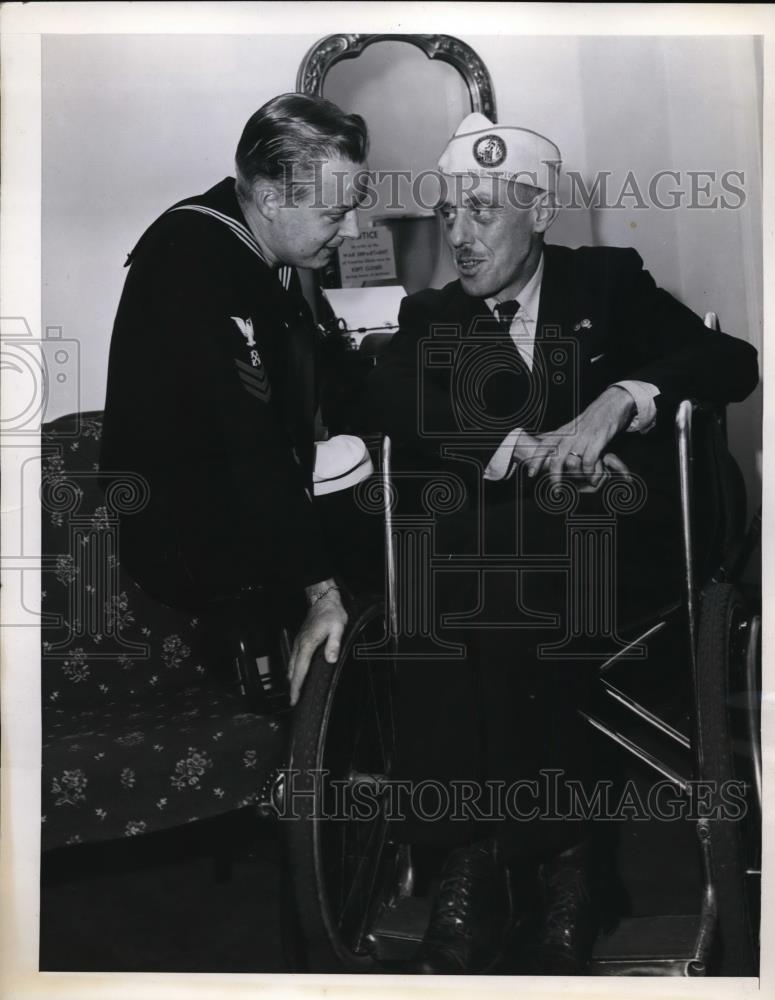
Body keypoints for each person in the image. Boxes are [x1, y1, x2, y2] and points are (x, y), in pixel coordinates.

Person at [365, 112, 758, 974]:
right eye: (449, 213)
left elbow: (729, 360)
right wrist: (513, 445)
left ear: (538, 211)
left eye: (482, 212)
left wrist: (618, 398)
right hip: (507, 572)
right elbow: (387, 400)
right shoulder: (430, 314)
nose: (459, 237)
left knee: (492, 567)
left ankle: (522, 861)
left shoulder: (607, 285)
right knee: (437, 581)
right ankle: (509, 859)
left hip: (621, 559)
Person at [99, 93, 369, 707]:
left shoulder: (244, 250)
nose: (353, 230)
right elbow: (250, 438)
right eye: (335, 212)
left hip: (232, 517)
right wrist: (319, 590)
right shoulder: (195, 259)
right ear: (271, 198)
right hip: (195, 551)